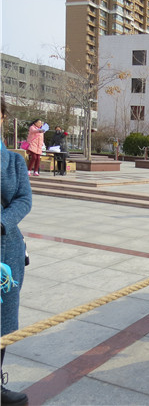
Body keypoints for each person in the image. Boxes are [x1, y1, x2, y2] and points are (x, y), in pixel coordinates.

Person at [1, 97, 32, 406]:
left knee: (3, 321)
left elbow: (24, 199)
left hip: (6, 251)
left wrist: (2, 223)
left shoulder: (13, 161)